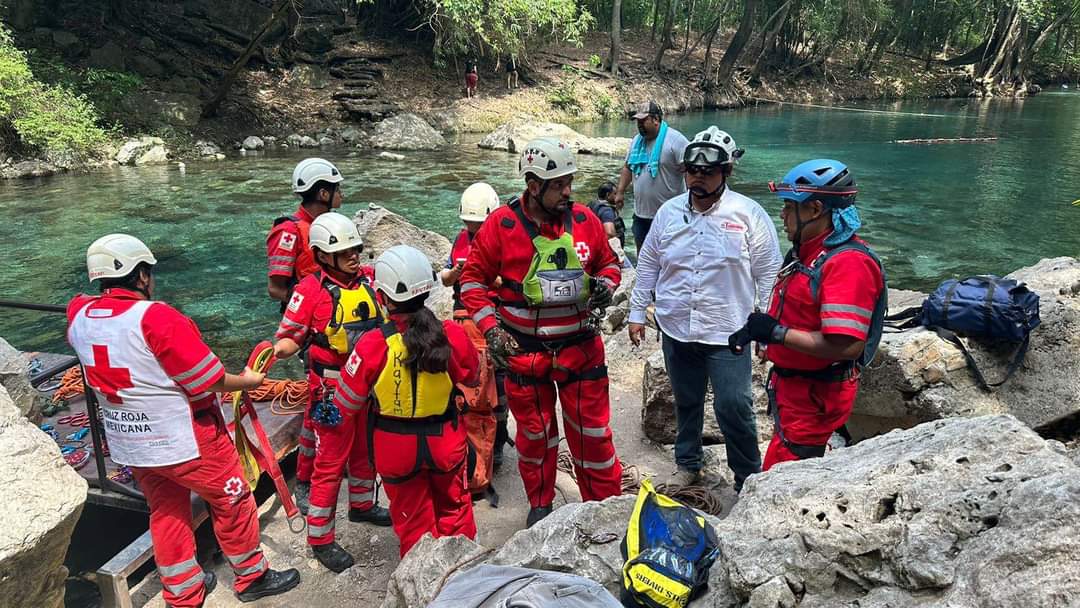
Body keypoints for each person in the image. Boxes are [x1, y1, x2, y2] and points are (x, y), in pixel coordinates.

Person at [67, 234, 300, 607]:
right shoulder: (157, 318)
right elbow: (206, 379)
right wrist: (250, 382)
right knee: (232, 499)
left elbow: (83, 307)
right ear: (141, 275)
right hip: (184, 437)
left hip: (130, 440)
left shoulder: (79, 316)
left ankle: (183, 591)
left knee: (166, 509)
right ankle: (252, 575)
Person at [459, 138, 624, 528]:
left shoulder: (585, 221)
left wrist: (605, 283)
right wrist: (491, 328)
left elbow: (610, 264)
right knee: (535, 438)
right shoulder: (501, 225)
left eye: (570, 181)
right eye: (559, 184)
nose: (568, 191)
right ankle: (540, 503)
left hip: (581, 351)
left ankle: (604, 509)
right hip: (524, 354)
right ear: (533, 186)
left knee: (593, 437)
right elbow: (471, 281)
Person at [628, 127, 781, 493]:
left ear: (726, 172)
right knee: (687, 400)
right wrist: (636, 313)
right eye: (691, 171)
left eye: (707, 172)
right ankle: (688, 463)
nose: (697, 178)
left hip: (728, 331)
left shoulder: (748, 214)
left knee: (735, 405)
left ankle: (747, 476)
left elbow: (770, 273)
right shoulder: (667, 214)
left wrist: (766, 328)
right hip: (676, 326)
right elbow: (648, 264)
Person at [728, 159, 885, 471]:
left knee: (782, 473)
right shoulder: (810, 252)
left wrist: (776, 333)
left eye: (789, 206)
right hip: (797, 391)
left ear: (815, 209)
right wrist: (759, 334)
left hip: (815, 397)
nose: (783, 215)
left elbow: (847, 346)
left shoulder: (847, 264)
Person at [335, 245, 481, 557]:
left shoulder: (372, 344)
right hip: (445, 443)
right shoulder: (451, 335)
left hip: (394, 450)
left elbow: (345, 404)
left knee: (413, 525)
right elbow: (471, 377)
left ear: (383, 298)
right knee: (455, 513)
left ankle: (422, 591)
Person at [271, 212, 392, 573]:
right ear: (323, 255)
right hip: (331, 389)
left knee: (363, 451)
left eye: (356, 249)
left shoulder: (369, 282)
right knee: (329, 463)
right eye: (345, 252)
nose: (354, 256)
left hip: (368, 384)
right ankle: (320, 538)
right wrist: (282, 349)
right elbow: (288, 335)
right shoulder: (308, 291)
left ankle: (361, 505)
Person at [265, 157, 345, 505]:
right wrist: (310, 304)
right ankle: (307, 476)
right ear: (323, 192)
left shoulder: (330, 226)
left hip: (339, 324)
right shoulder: (290, 232)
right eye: (337, 189)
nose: (342, 194)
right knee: (321, 402)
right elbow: (276, 287)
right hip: (314, 330)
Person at [439, 183, 510, 481]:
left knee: (499, 387)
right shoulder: (459, 240)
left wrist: (486, 277)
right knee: (463, 385)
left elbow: (509, 283)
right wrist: (456, 273)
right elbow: (444, 278)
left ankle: (497, 443)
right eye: (469, 224)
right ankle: (467, 444)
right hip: (463, 319)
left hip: (492, 319)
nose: (473, 229)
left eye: (477, 225)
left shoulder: (504, 240)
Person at [613, 101, 689, 253]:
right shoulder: (636, 142)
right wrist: (620, 191)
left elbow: (690, 170)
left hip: (671, 215)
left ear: (656, 119)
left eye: (643, 120)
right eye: (638, 121)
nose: (639, 125)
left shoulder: (675, 140)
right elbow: (628, 167)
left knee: (670, 255)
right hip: (641, 214)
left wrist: (692, 202)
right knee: (643, 255)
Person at [588, 181, 628, 261]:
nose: (617, 196)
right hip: (607, 254)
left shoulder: (592, 204)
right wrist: (617, 253)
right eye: (615, 194)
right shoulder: (607, 211)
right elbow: (609, 233)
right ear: (608, 195)